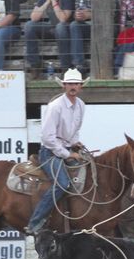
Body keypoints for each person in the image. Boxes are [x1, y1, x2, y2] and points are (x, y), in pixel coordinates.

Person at [25, 68, 88, 235]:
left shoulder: (81, 106)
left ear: (81, 86)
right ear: (64, 86)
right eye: (70, 84)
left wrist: (75, 143)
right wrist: (68, 154)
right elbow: (47, 138)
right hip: (50, 152)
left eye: (76, 83)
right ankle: (35, 222)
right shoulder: (55, 107)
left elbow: (74, 131)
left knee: (87, 172)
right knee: (62, 183)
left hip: (67, 147)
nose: (73, 86)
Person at [24, 0, 75, 80]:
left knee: (60, 27)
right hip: (52, 28)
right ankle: (35, 65)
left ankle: (66, 67)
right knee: (29, 25)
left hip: (66, 30)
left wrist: (53, 1)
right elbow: (34, 18)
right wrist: (46, 3)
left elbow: (63, 19)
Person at [70, 0, 93, 75]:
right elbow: (77, 11)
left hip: (105, 27)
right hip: (87, 26)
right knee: (74, 25)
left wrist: (90, 15)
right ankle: (79, 66)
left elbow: (111, 14)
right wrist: (77, 16)